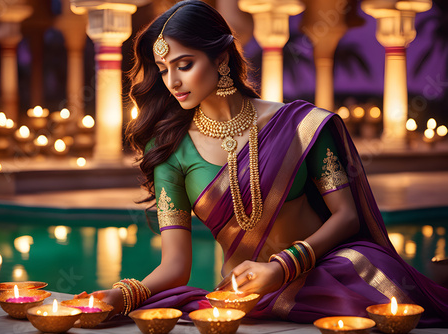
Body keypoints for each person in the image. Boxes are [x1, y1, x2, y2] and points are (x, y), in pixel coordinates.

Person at [76, 0, 448, 326]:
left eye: (184, 64)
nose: (172, 81)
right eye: (163, 69)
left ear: (220, 57)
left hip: (329, 274)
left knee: (370, 282)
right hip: (245, 295)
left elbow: (347, 217)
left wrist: (281, 267)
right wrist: (122, 295)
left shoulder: (301, 125)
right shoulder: (171, 152)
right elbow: (176, 267)